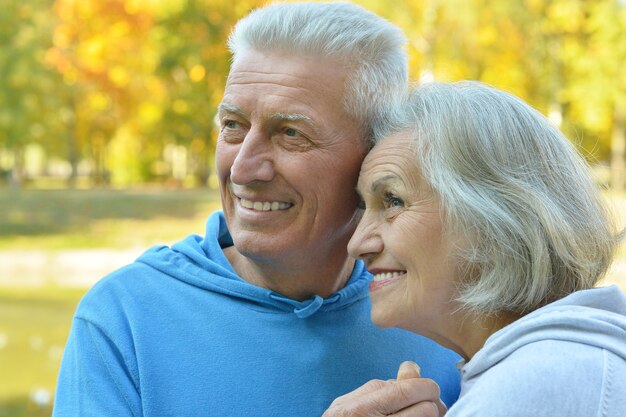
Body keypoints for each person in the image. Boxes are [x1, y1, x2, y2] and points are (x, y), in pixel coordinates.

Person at [52, 3, 462, 416]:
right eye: (232, 125)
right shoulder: (123, 318)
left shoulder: (444, 313)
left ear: (374, 155)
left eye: (290, 133)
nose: (243, 169)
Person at [324, 81, 626, 416]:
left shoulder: (532, 385)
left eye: (393, 200)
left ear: (495, 217)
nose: (357, 244)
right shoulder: (566, 362)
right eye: (364, 207)